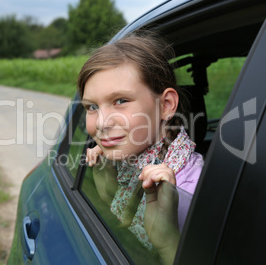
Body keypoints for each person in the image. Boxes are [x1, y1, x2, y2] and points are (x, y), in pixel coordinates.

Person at [77, 32, 204, 264]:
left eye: (121, 101)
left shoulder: (191, 193)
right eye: (92, 106)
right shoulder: (128, 162)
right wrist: (107, 188)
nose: (102, 123)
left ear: (165, 105)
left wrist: (168, 245)